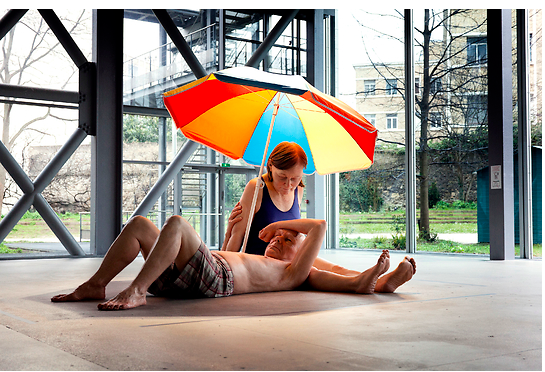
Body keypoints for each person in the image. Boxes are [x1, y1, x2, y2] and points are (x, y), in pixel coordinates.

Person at [51, 214, 415, 310]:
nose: (278, 238)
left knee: (176, 223)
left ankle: (137, 289)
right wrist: (233, 226)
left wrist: (278, 222)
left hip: (214, 281)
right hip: (195, 273)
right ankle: (96, 283)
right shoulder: (264, 256)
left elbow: (318, 226)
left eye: (288, 240)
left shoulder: (295, 273)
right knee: (140, 225)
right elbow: (221, 251)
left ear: (302, 257)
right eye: (277, 235)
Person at [223, 141, 307, 255]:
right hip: (256, 267)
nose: (288, 185)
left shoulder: (298, 190)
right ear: (271, 166)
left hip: (283, 269)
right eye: (282, 177)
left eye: (295, 178)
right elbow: (236, 237)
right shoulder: (256, 188)